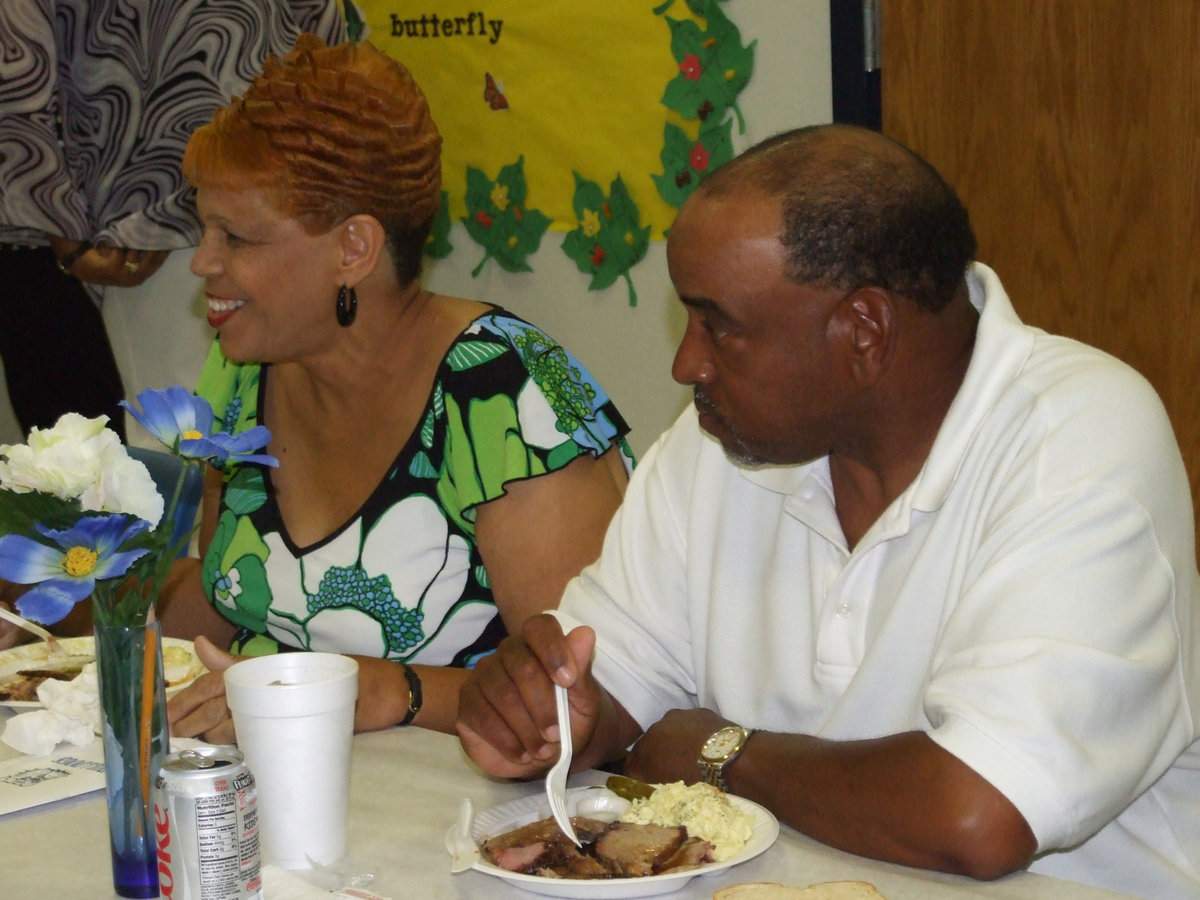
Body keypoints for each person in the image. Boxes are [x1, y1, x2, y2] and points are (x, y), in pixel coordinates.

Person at [456, 125, 1200, 899]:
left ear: (864, 332)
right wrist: (548, 715)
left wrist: (719, 755)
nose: (688, 364)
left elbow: (979, 816)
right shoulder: (720, 445)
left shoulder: (1078, 436)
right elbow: (614, 698)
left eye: (720, 327)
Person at [161, 34, 633, 741]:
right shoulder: (243, 367)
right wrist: (73, 614)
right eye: (205, 229)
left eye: (236, 237)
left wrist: (389, 692)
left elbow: (593, 703)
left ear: (354, 249)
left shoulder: (509, 397)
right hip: (272, 791)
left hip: (459, 820)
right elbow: (235, 599)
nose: (203, 262)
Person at [0, 0, 345, 445]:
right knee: (112, 476)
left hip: (265, 208)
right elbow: (16, 73)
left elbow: (328, 50)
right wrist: (66, 236)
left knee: (266, 443)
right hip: (89, 237)